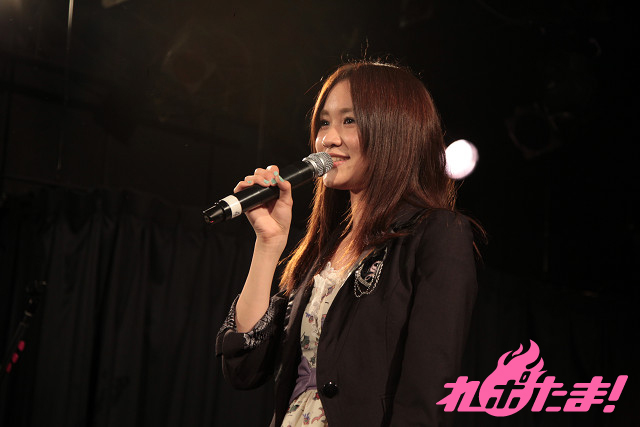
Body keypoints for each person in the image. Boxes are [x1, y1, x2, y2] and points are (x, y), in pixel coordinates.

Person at [216, 60, 480, 426]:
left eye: (349, 120)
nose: (328, 139)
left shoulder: (436, 234)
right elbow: (243, 368)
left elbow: (427, 392)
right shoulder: (322, 254)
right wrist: (268, 244)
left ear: (395, 130)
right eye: (324, 122)